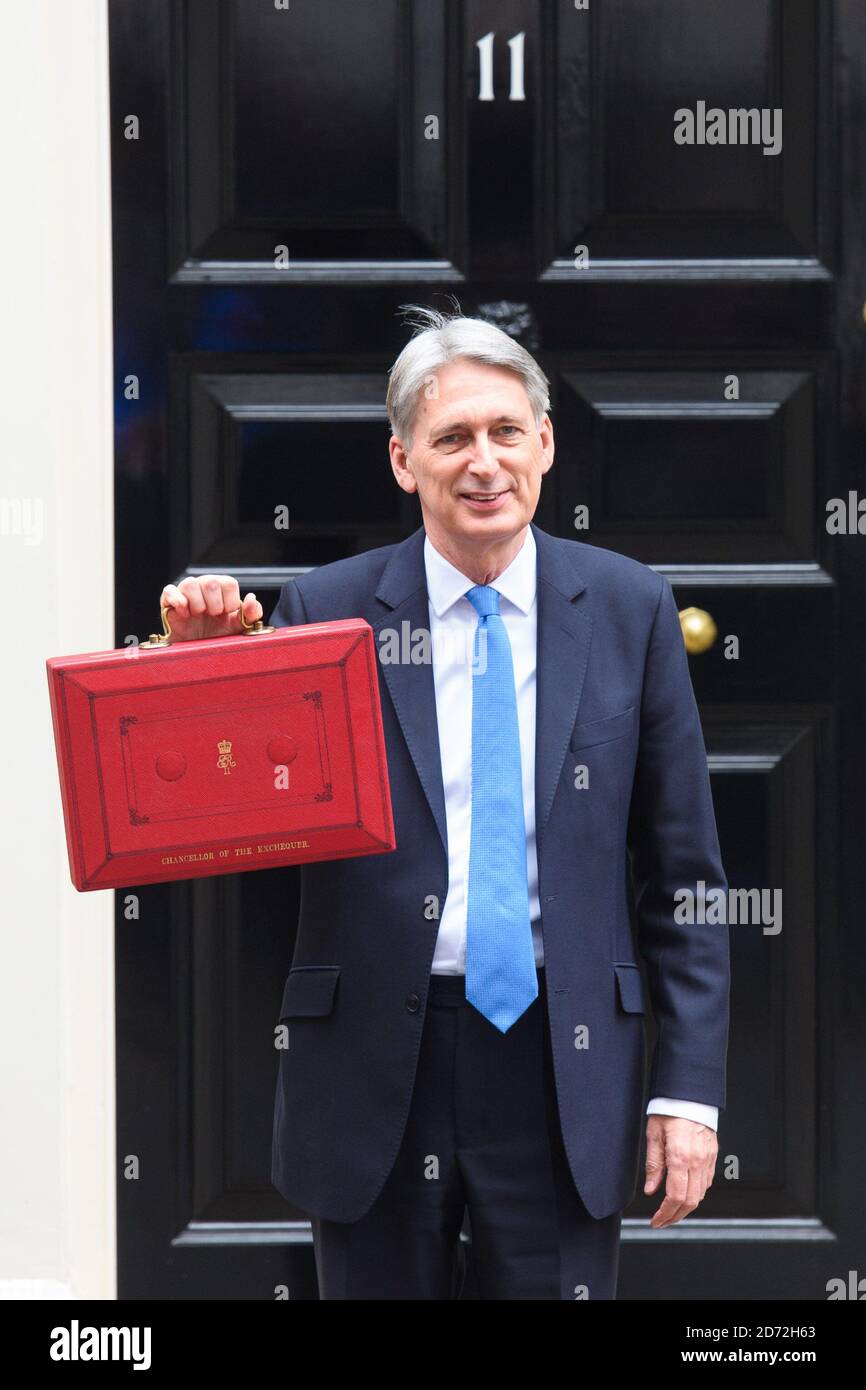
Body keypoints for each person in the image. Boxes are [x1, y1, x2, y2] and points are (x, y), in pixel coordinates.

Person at [160, 306, 730, 1300]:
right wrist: (201, 675)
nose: (482, 462)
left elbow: (683, 879)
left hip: (561, 1060)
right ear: (401, 460)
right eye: (450, 437)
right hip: (380, 1065)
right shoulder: (321, 611)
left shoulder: (629, 608)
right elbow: (234, 830)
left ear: (543, 443)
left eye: (505, 431)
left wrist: (686, 1091)